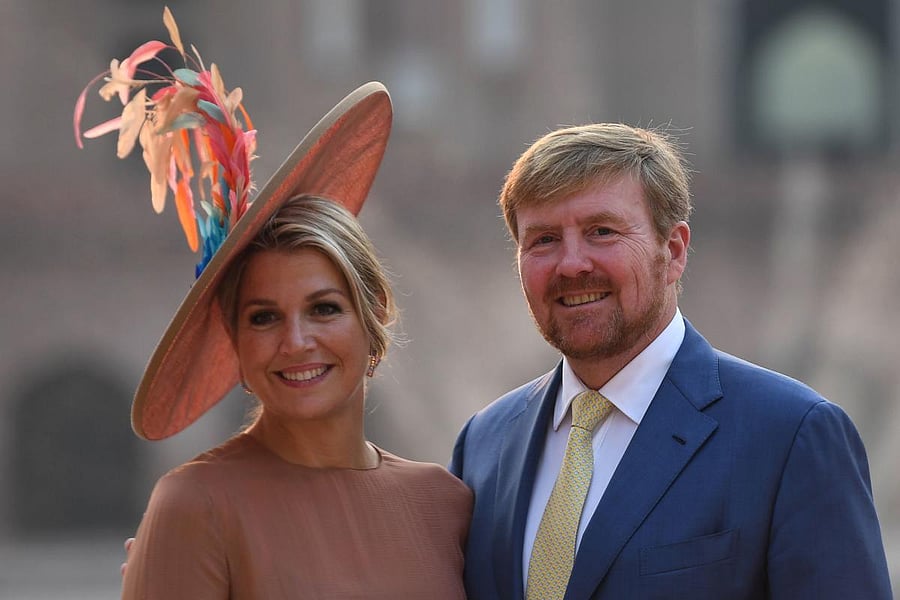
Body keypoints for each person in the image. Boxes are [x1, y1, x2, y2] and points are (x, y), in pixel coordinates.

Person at [76, 10, 470, 598]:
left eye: (325, 308)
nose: (296, 340)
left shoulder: (445, 504)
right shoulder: (195, 507)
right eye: (263, 317)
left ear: (375, 314)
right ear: (234, 343)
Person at [449, 123, 893, 598]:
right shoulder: (484, 444)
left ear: (674, 250)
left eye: (602, 231)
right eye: (543, 240)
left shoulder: (790, 436)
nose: (572, 264)